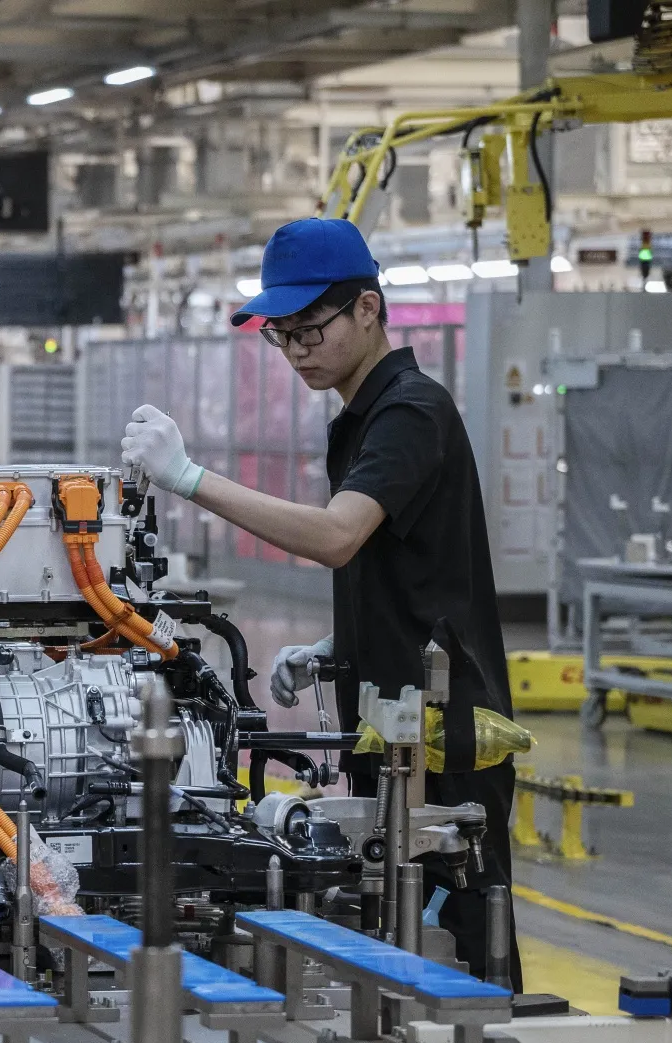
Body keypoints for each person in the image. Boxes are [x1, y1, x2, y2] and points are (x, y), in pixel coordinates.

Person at [120, 217, 520, 988]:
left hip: (442, 733)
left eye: (311, 327)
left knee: (462, 944)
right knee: (395, 928)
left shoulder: (408, 410)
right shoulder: (362, 415)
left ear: (368, 309)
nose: (298, 348)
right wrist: (337, 647)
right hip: (396, 719)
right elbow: (412, 571)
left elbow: (338, 538)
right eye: (283, 334)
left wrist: (191, 478)